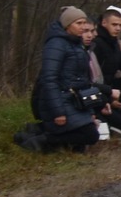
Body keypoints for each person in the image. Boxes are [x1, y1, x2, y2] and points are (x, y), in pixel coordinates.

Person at [27, 8, 105, 152]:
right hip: (60, 100)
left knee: (90, 131)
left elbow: (83, 80)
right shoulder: (56, 44)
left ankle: (59, 144)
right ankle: (41, 140)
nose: (82, 27)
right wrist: (58, 112)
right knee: (90, 135)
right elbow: (49, 79)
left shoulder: (76, 44)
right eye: (78, 23)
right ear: (67, 25)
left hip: (76, 100)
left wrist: (90, 108)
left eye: (84, 23)